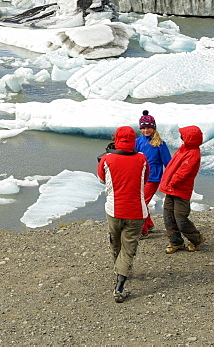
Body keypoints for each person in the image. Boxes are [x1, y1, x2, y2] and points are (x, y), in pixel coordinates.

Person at [96, 125, 149, 303]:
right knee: (129, 248)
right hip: (136, 211)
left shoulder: (107, 159)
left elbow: (102, 178)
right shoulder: (141, 158)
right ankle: (120, 281)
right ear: (134, 140)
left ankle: (119, 271)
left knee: (115, 241)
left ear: (116, 139)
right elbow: (146, 178)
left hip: (114, 209)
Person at [159, 125, 206, 254]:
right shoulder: (183, 149)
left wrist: (171, 182)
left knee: (180, 218)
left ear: (189, 139)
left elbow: (183, 172)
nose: (181, 138)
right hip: (171, 189)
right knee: (168, 216)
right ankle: (176, 242)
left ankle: (197, 239)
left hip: (180, 190)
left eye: (183, 136)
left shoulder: (193, 153)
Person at [135, 114, 172, 238]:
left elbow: (168, 163)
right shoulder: (137, 142)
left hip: (153, 178)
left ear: (154, 128)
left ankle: (143, 231)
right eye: (143, 128)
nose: (146, 130)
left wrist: (170, 179)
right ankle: (149, 224)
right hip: (139, 177)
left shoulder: (160, 144)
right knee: (141, 202)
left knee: (141, 203)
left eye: (149, 128)